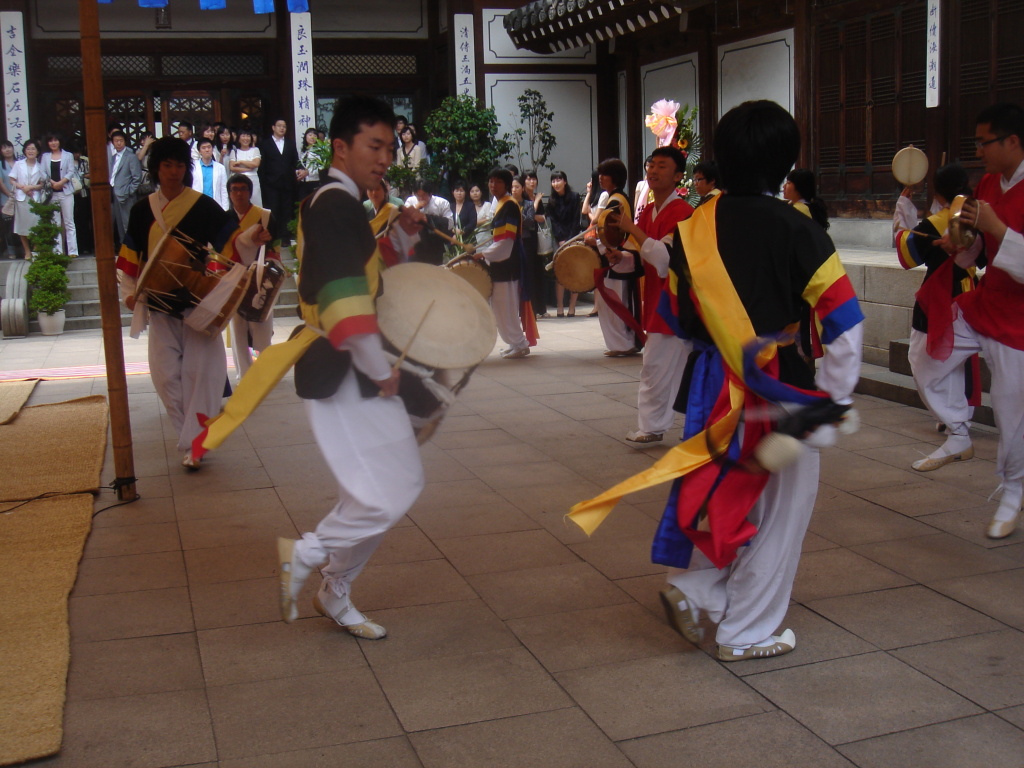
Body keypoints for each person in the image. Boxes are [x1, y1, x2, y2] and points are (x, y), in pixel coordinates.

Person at [571, 100, 864, 662]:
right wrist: (835, 398)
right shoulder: (798, 228)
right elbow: (844, 323)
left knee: (732, 498)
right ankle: (748, 630)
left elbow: (681, 320)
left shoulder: (692, 229)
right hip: (783, 391)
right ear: (785, 162)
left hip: (715, 390)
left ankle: (700, 588)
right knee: (780, 513)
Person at [276, 95, 427, 640]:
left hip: (344, 365)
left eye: (389, 146)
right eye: (374, 145)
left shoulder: (336, 201)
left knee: (374, 490)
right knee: (395, 487)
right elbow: (344, 298)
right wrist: (378, 367)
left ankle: (334, 590)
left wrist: (401, 233)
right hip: (344, 367)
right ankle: (309, 556)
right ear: (340, 147)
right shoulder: (336, 204)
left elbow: (364, 274)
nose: (385, 157)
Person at [913, 102, 1024, 539]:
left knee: (1012, 414)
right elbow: (979, 246)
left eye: (984, 142)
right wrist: (959, 244)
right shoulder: (991, 182)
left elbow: (1002, 238)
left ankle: (1013, 490)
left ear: (1012, 141)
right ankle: (958, 431)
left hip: (1019, 321)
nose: (978, 150)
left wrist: (999, 230)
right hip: (985, 301)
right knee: (925, 357)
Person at [115, 137, 232, 469]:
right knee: (166, 376)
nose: (173, 171)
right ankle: (188, 436)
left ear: (187, 168)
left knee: (202, 373)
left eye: (180, 165)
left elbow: (229, 246)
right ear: (156, 169)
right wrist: (129, 289)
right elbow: (132, 256)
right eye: (167, 165)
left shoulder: (203, 206)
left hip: (199, 301)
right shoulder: (142, 210)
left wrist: (250, 240)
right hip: (159, 301)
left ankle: (197, 444)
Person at [894, 164, 979, 472]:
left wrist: (903, 216)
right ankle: (960, 425)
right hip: (974, 294)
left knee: (923, 360)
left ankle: (957, 428)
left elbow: (907, 256)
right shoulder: (976, 215)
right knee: (951, 364)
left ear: (938, 192)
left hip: (944, 298)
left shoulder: (937, 222)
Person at [615, 146, 695, 443]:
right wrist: (619, 258)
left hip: (675, 304)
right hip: (660, 301)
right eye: (651, 165)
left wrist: (631, 229)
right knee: (668, 368)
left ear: (677, 176)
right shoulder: (649, 210)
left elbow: (664, 259)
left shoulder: (684, 213)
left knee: (656, 367)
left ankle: (653, 426)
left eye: (662, 166)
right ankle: (659, 425)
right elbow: (642, 257)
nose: (653, 170)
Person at [223, 173, 278, 381]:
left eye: (243, 189)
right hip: (234, 277)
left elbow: (275, 248)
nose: (239, 193)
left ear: (250, 191)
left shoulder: (265, 217)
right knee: (237, 327)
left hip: (260, 277)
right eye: (234, 189)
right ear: (229, 193)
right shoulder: (224, 220)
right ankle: (244, 373)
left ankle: (265, 372)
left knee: (262, 324)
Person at [473, 168, 530, 359]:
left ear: (506, 184)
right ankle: (514, 342)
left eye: (497, 182)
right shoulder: (500, 204)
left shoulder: (510, 206)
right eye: (490, 181)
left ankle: (520, 343)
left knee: (506, 306)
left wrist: (483, 254)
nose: (492, 185)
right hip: (501, 261)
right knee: (500, 306)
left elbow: (506, 241)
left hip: (508, 262)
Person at [587, 158, 643, 356]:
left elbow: (610, 233)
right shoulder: (616, 197)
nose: (601, 178)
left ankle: (624, 344)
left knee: (617, 303)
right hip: (617, 256)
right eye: (600, 174)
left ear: (615, 178)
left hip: (619, 256)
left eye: (605, 174)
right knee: (614, 302)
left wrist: (599, 244)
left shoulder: (616, 200)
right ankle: (622, 343)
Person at [544, 170, 582, 317]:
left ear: (565, 181)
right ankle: (560, 306)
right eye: (553, 181)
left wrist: (570, 239)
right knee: (559, 272)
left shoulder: (574, 197)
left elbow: (575, 219)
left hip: (573, 237)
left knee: (574, 272)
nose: (556, 183)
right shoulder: (552, 200)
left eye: (559, 180)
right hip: (558, 239)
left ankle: (572, 307)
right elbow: (553, 222)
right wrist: (560, 239)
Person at [258, 118, 299, 246]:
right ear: (273, 127)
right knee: (273, 210)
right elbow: (262, 166)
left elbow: (295, 162)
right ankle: (273, 236)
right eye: (279, 126)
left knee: (286, 210)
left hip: (287, 183)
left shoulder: (290, 143)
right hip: (271, 184)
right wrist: (265, 182)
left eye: (284, 126)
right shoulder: (265, 144)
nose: (282, 128)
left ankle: (285, 237)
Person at [41, 133, 78, 257]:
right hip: (52, 193)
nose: (53, 143)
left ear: (60, 141)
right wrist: (53, 183)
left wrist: (61, 182)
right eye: (50, 141)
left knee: (69, 222)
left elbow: (71, 171)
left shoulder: (68, 155)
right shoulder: (45, 157)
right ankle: (57, 251)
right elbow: (43, 173)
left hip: (66, 192)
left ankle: (73, 251)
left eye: (55, 140)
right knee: (55, 222)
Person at [10, 139, 45, 259]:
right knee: (22, 226)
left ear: (38, 151)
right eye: (28, 149)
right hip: (21, 198)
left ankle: (35, 249)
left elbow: (42, 183)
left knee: (35, 225)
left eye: (33, 149)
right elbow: (12, 179)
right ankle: (27, 251)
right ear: (24, 151)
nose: (30, 151)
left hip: (35, 198)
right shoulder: (18, 164)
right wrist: (23, 187)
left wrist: (32, 187)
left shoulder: (41, 166)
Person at [109, 129, 143, 248]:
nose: (118, 143)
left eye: (121, 141)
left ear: (125, 142)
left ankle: (132, 248)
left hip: (126, 194)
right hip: (114, 193)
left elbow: (137, 178)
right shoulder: (112, 157)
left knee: (127, 223)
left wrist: (129, 191)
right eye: (116, 141)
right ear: (112, 142)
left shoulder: (131, 156)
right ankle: (124, 247)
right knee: (119, 224)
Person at [191, 137, 228, 210]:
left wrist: (225, 209)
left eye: (209, 147)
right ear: (199, 151)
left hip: (216, 205)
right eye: (203, 148)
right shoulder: (193, 168)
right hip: (198, 205)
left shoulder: (220, 168)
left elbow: (224, 190)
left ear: (212, 149)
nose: (207, 150)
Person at [228, 129, 262, 207]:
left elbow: (255, 164)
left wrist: (241, 162)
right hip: (238, 180)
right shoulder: (235, 152)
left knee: (255, 204)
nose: (245, 138)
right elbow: (232, 167)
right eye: (243, 136)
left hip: (253, 180)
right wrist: (247, 169)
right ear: (239, 138)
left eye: (248, 136)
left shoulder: (255, 150)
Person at [0, 141, 17, 256]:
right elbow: (0, 183)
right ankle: (12, 253)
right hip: (6, 200)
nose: (7, 150)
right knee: (8, 227)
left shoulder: (20, 163)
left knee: (21, 225)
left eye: (9, 147)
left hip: (21, 199)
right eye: (4, 148)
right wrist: (9, 194)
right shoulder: (1, 165)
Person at [297, 127, 321, 200]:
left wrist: (308, 172)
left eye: (315, 136)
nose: (312, 137)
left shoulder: (320, 151)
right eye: (310, 135)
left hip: (314, 183)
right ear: (305, 137)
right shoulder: (303, 151)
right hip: (303, 183)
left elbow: (322, 168)